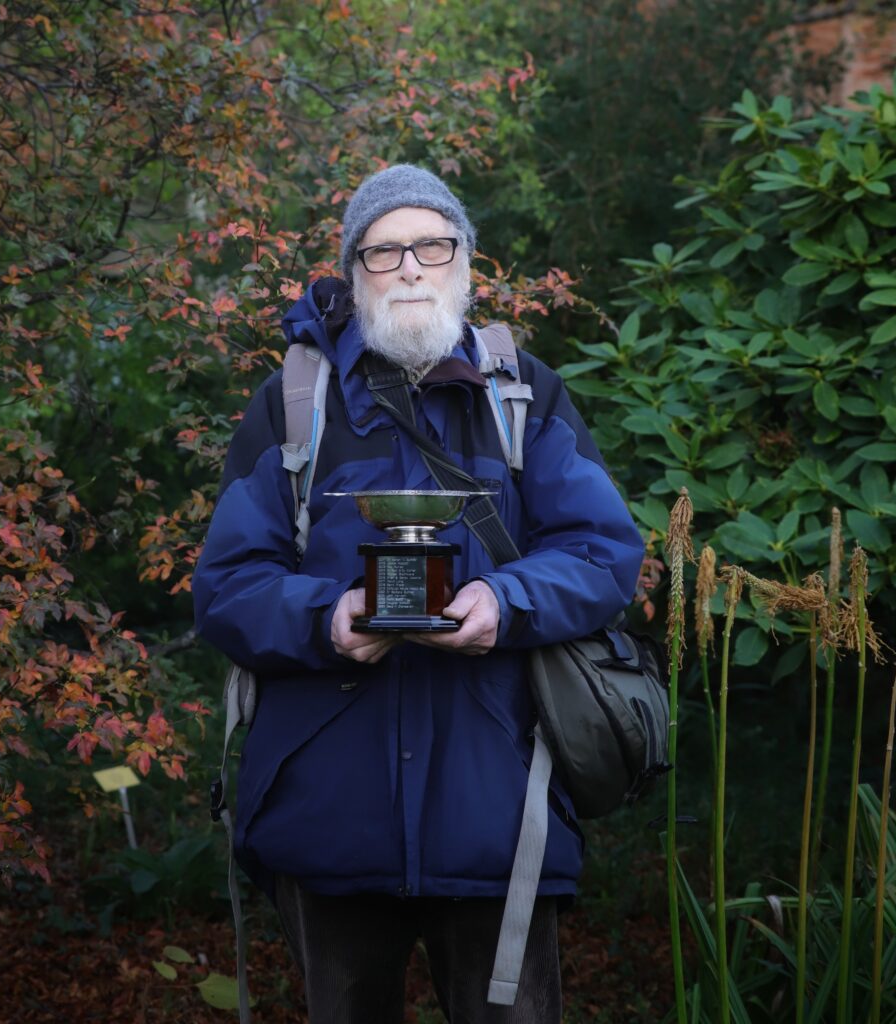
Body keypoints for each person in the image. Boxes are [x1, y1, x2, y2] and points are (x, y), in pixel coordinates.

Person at [192, 164, 644, 1023]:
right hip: (329, 815)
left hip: (499, 812)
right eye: (384, 249)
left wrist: (503, 603)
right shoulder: (295, 404)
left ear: (463, 263)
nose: (408, 267)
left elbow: (602, 551)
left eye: (430, 245)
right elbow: (226, 584)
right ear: (353, 270)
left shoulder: (524, 396)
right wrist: (324, 618)